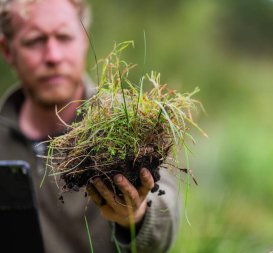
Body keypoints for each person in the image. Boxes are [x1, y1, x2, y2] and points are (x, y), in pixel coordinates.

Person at [0, 0, 179, 252]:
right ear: (8, 51)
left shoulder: (131, 121)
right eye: (34, 41)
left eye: (64, 37)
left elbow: (165, 214)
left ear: (84, 40)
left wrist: (136, 215)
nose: (53, 56)